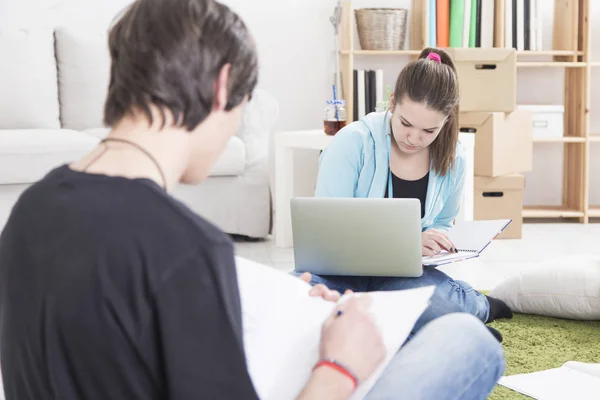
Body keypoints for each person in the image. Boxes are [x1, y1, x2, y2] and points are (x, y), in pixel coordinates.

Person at [0, 1, 504, 399]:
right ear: (222, 87)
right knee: (469, 346)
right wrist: (338, 368)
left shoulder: (27, 213)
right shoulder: (187, 250)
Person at [298, 48, 513, 340]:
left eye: (429, 130)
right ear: (392, 103)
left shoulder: (454, 158)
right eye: (405, 123)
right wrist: (407, 241)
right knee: (294, 298)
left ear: (447, 120)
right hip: (339, 273)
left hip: (401, 277)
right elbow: (326, 230)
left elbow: (444, 220)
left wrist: (434, 241)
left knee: (437, 305)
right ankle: (445, 328)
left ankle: (476, 306)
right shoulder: (351, 143)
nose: (414, 138)